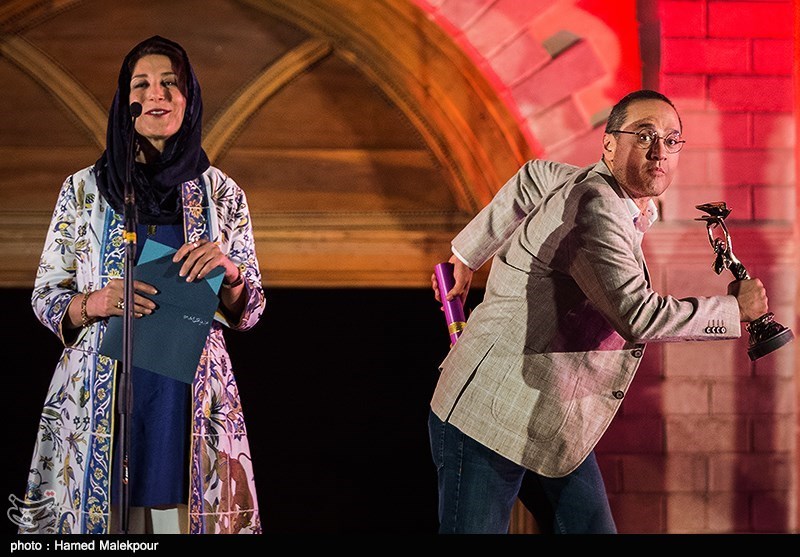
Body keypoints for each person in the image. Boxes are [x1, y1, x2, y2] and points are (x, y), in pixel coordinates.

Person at [428, 89, 769, 534]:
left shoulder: (594, 185)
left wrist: (466, 254)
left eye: (671, 140)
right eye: (644, 135)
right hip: (486, 415)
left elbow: (532, 176)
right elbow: (637, 316)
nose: (659, 151)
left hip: (550, 420)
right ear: (609, 143)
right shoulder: (596, 209)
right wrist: (732, 309)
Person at [19, 36, 265, 534]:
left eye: (170, 83)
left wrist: (231, 274)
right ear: (124, 100)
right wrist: (93, 302)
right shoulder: (84, 190)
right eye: (142, 84)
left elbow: (252, 308)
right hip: (99, 392)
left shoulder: (221, 193)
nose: (157, 94)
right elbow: (46, 295)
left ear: (189, 98)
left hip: (190, 399)